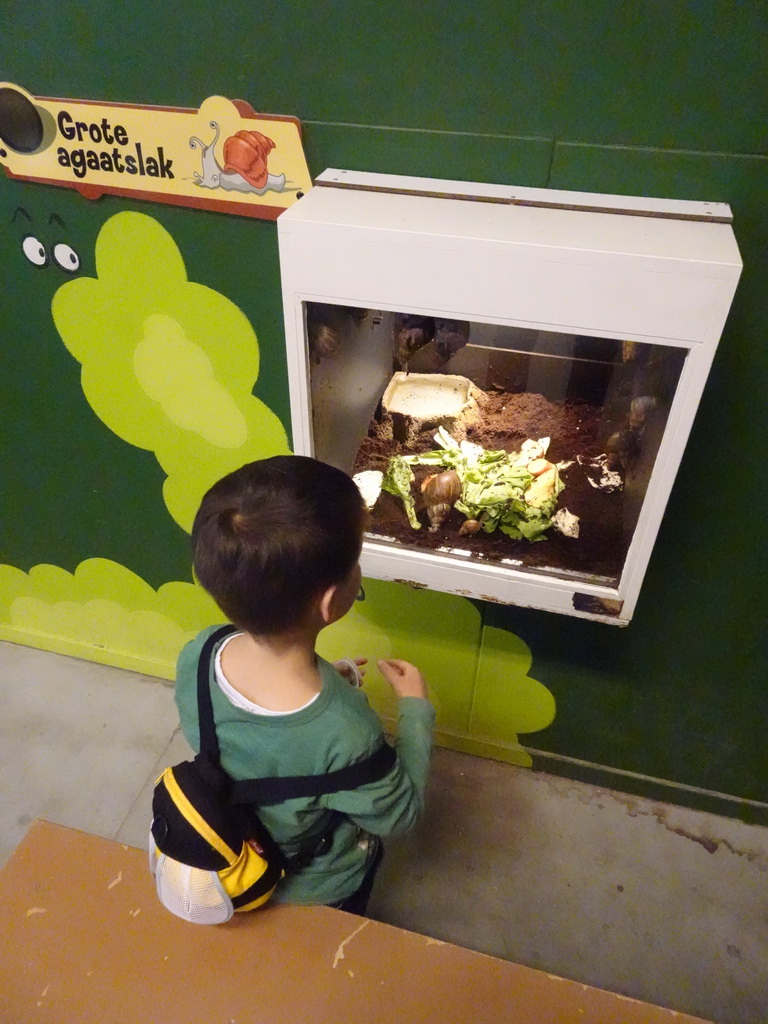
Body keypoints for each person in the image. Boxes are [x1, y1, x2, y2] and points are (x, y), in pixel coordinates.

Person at [175, 454, 435, 914]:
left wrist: (326, 682)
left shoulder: (199, 652)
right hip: (320, 883)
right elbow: (402, 815)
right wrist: (415, 711)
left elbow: (254, 736)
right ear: (333, 601)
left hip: (234, 842)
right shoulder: (348, 731)